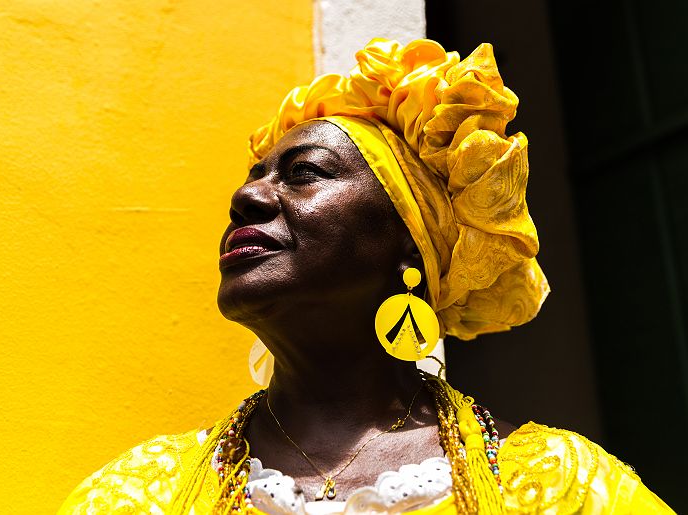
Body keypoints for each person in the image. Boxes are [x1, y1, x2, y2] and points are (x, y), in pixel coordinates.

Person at [58, 39, 675, 514]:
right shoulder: (139, 493)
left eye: (304, 174)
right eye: (252, 176)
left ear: (411, 246)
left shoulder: (556, 484)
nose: (245, 198)